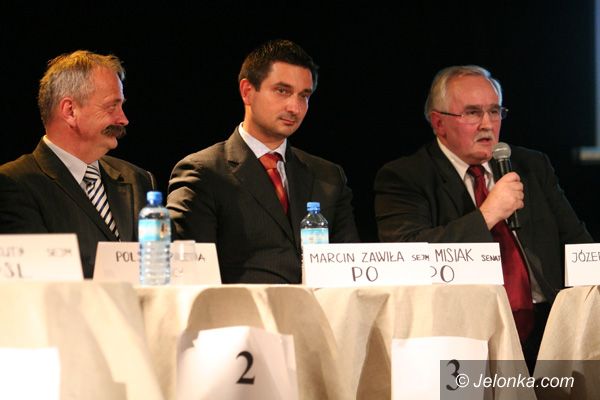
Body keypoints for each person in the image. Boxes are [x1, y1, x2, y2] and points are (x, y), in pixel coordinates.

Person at [374, 65, 593, 371]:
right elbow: (406, 254)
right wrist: (488, 214)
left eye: (494, 111)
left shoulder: (531, 165)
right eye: (473, 113)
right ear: (438, 123)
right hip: (460, 331)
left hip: (547, 327)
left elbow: (577, 242)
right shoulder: (405, 176)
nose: (487, 124)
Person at [167, 39, 360, 283]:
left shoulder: (328, 176)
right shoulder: (203, 172)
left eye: (304, 95)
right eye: (282, 91)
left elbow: (351, 267)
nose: (295, 107)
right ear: (247, 91)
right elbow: (190, 275)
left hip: (322, 306)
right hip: (243, 307)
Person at [0, 50, 156, 278]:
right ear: (70, 111)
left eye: (121, 106)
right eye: (111, 106)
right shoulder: (14, 184)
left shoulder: (138, 179)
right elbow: (34, 283)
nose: (123, 119)